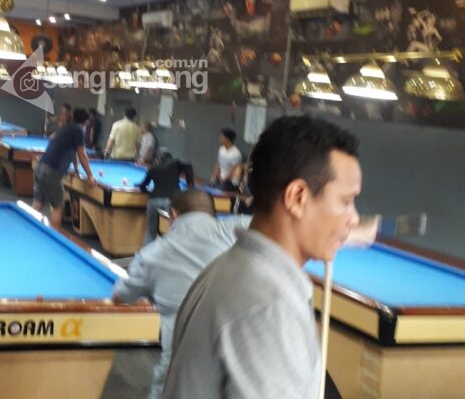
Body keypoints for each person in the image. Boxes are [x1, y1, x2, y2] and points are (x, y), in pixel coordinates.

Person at [163, 115, 362, 399]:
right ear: (297, 197)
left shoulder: (225, 268)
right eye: (346, 201)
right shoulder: (270, 310)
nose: (353, 218)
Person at [114, 190, 252, 399]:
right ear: (211, 212)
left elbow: (120, 296)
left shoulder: (150, 255)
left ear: (174, 215)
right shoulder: (238, 228)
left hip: (178, 375)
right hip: (240, 365)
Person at [33, 107, 96, 228]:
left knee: (38, 203)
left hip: (40, 167)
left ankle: (29, 231)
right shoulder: (78, 130)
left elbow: (74, 151)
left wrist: (76, 169)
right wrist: (90, 176)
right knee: (57, 207)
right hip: (51, 171)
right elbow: (82, 154)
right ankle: (54, 235)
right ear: (86, 121)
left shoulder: (66, 128)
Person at [138, 151, 194, 245]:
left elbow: (142, 186)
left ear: (158, 160)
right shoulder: (175, 163)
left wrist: (150, 192)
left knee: (150, 231)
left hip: (153, 200)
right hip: (169, 201)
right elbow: (187, 165)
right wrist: (190, 184)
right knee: (172, 230)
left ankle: (146, 253)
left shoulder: (154, 168)